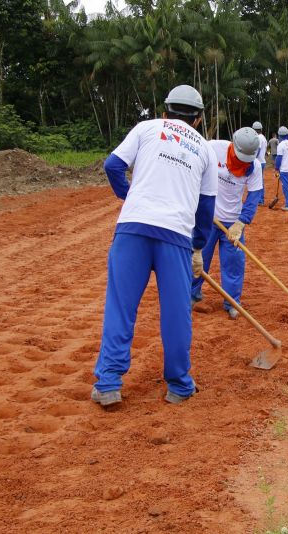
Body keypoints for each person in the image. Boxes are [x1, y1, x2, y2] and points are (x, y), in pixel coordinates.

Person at [91, 84, 217, 407]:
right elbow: (205, 210)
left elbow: (112, 166)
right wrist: (198, 248)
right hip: (175, 236)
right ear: (199, 120)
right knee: (176, 312)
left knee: (121, 306)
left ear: (165, 112)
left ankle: (108, 383)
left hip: (132, 228)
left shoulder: (146, 128)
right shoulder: (204, 149)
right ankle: (179, 385)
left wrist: (127, 194)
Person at [191, 127, 261, 320]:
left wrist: (241, 222)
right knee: (198, 257)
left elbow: (254, 195)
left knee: (233, 264)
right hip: (208, 217)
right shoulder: (213, 148)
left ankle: (231, 302)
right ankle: (192, 294)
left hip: (233, 222)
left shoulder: (254, 167)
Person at [274, 126, 288, 211]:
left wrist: (276, 169)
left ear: (279, 135)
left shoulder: (281, 145)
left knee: (286, 188)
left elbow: (279, 158)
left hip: (284, 170)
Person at [252, 121, 268, 205]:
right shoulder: (264, 138)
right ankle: (260, 199)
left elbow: (257, 151)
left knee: (257, 181)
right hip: (262, 161)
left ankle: (260, 200)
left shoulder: (258, 138)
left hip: (258, 162)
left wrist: (252, 158)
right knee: (260, 180)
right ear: (261, 129)